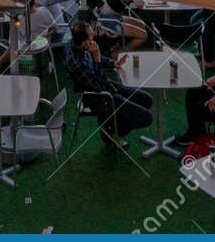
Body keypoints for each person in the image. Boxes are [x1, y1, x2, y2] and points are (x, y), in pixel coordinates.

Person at [64, 19, 152, 149]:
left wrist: (113, 63)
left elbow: (96, 67)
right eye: (91, 35)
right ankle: (111, 132)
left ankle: (110, 125)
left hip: (106, 86)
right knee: (146, 118)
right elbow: (97, 85)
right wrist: (97, 59)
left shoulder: (75, 44)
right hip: (99, 97)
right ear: (85, 42)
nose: (94, 34)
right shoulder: (77, 64)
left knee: (146, 100)